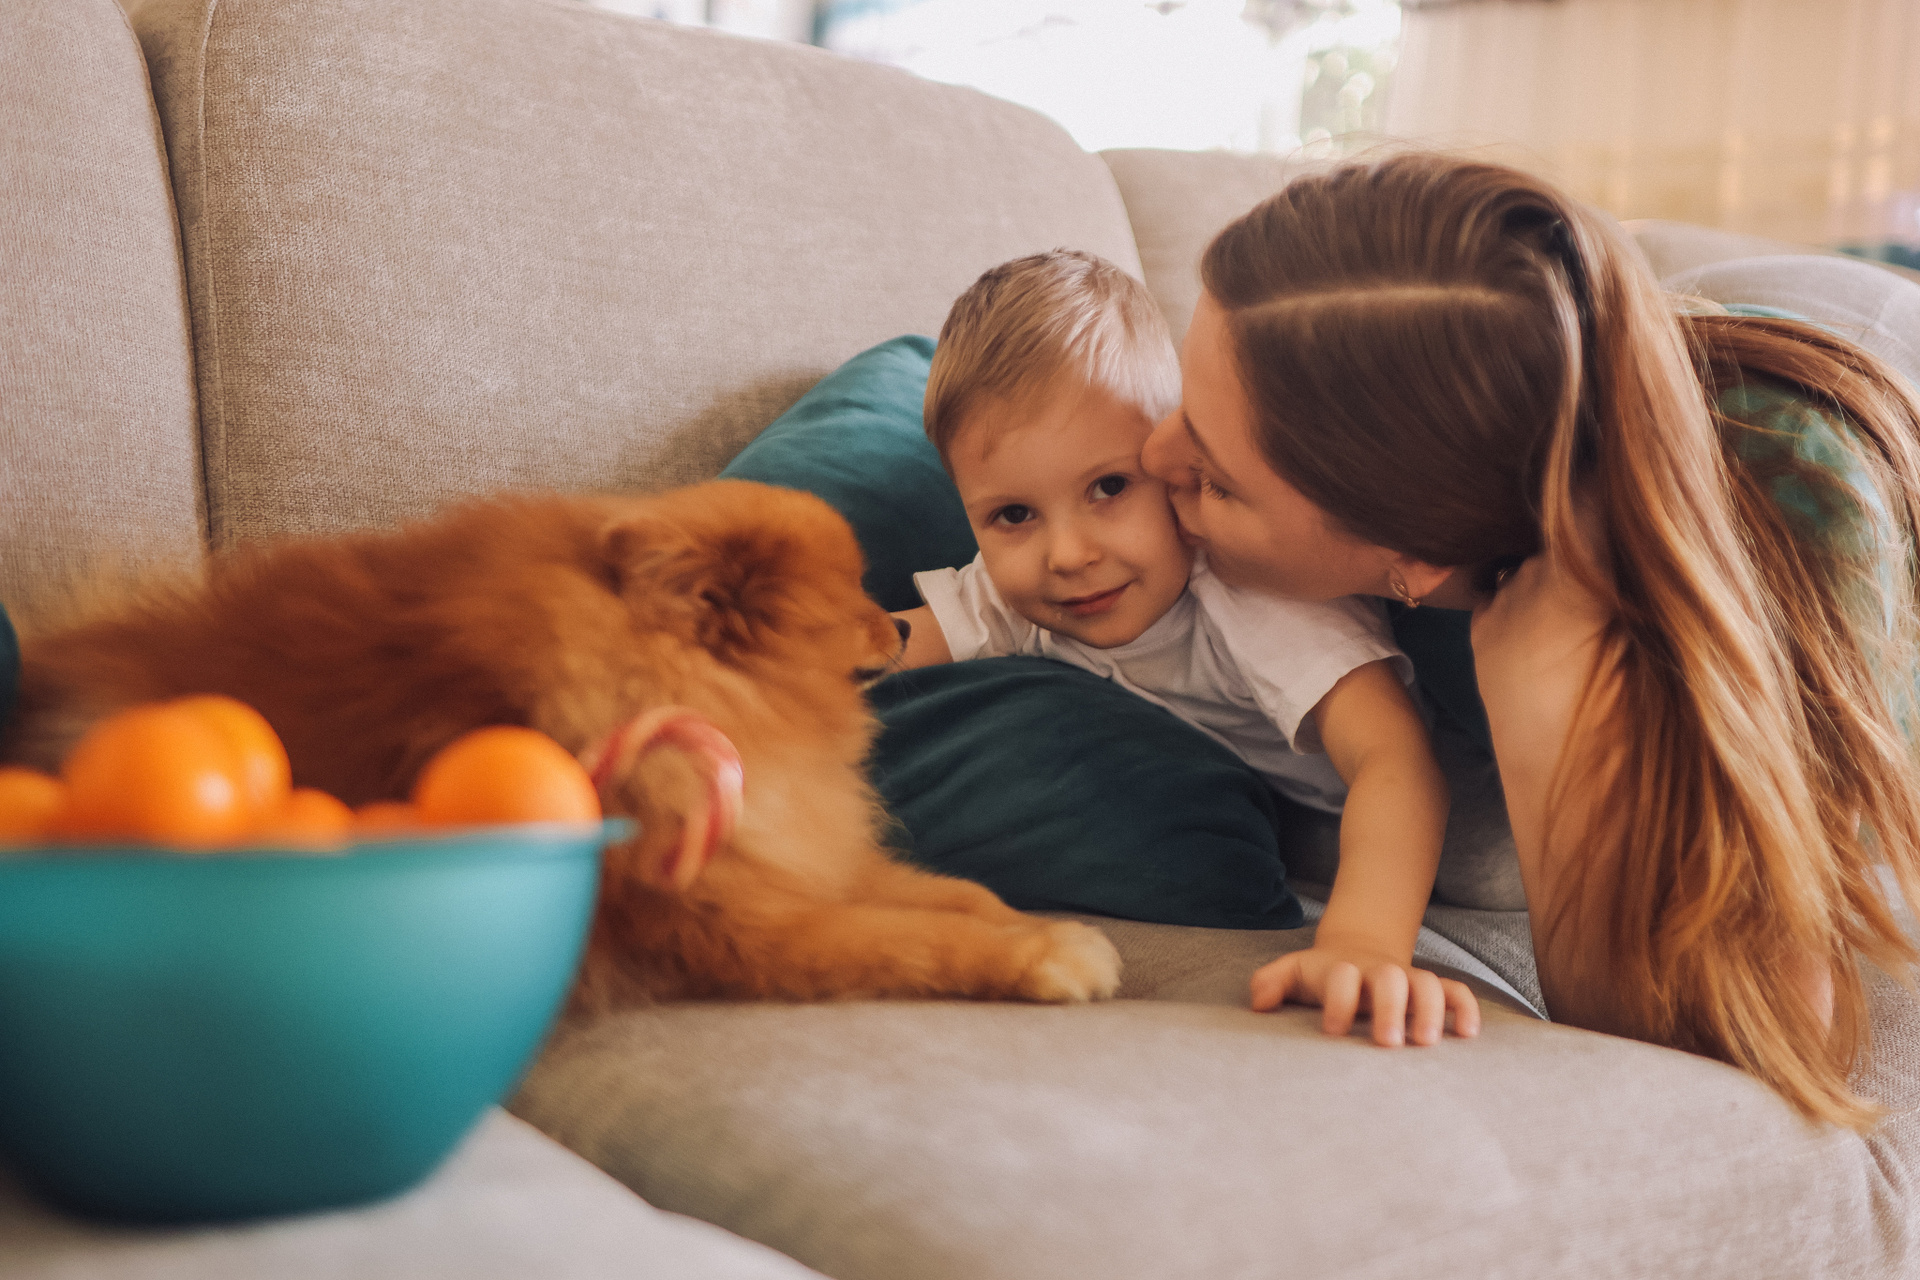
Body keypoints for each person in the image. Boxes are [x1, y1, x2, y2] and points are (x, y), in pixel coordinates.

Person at [1140, 151, 1920, 1128]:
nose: (1151, 454)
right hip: (1624, 349)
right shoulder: (1437, 470)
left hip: (1847, 375)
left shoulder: (1797, 532)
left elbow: (1759, 1047)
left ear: (1416, 561)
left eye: (1215, 480)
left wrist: (1539, 709)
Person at [894, 249, 1481, 1046]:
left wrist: (1362, 945)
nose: (1068, 554)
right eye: (1013, 516)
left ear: (1179, 464)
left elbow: (1394, 758)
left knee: (1489, 872)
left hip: (1447, 800)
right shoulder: (1012, 591)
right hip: (1286, 805)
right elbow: (877, 647)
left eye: (1109, 488)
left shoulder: (1249, 591)